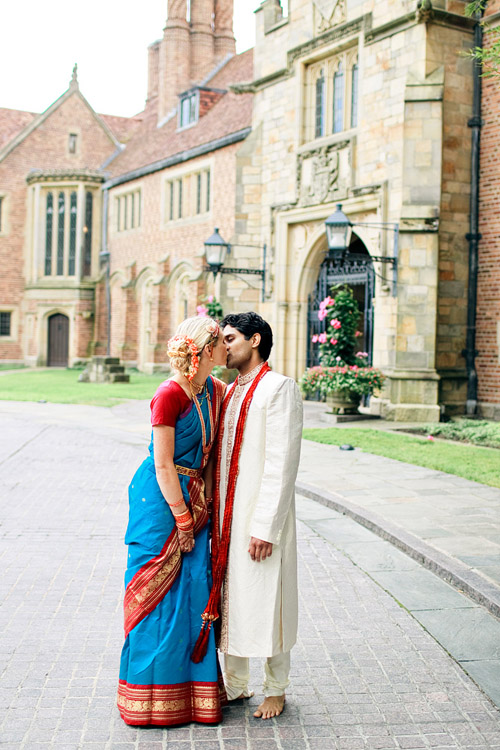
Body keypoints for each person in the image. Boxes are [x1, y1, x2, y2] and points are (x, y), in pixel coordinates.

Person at [192, 312, 303, 720]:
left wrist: (266, 527)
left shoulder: (278, 389)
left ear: (255, 340)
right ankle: (236, 686)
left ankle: (277, 688)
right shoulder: (230, 390)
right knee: (231, 597)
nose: (224, 346)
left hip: (260, 518)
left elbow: (281, 463)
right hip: (227, 519)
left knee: (270, 598)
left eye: (231, 338)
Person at [117, 316, 228, 726]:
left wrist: (209, 505)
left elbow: (213, 452)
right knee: (154, 597)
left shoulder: (213, 390)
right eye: (221, 342)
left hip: (195, 502)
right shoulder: (169, 394)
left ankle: (194, 699)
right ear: (205, 350)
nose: (227, 349)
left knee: (194, 592)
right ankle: (146, 701)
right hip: (160, 504)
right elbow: (164, 465)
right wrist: (183, 519)